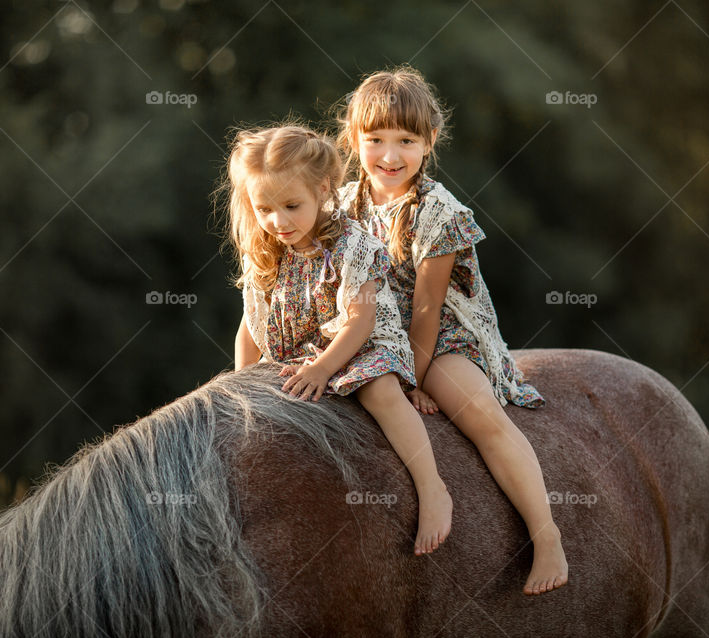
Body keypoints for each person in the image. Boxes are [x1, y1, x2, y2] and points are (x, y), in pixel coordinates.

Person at [336, 67, 568, 594]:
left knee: (478, 411)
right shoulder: (342, 205)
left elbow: (427, 311)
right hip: (368, 329)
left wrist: (413, 379)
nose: (390, 156)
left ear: (429, 142)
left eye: (406, 141)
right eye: (375, 140)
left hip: (440, 337)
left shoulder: (440, 214)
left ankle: (547, 533)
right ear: (354, 140)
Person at [226, 123, 452, 555]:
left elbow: (361, 320)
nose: (278, 221)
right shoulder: (266, 250)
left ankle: (433, 487)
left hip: (360, 346)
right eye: (264, 209)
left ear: (324, 189)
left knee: (380, 390)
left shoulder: (353, 245)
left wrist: (325, 367)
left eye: (292, 205)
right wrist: (244, 386)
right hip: (302, 351)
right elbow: (250, 327)